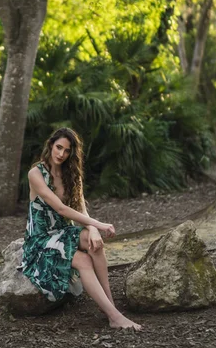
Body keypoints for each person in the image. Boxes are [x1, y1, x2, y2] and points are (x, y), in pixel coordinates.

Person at [21, 127, 143, 331]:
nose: (61, 154)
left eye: (67, 150)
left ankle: (110, 306)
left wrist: (92, 229)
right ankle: (114, 317)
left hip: (63, 231)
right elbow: (60, 208)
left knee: (95, 243)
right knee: (84, 260)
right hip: (41, 239)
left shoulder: (70, 174)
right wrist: (99, 224)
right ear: (51, 145)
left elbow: (80, 206)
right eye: (58, 147)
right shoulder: (36, 173)